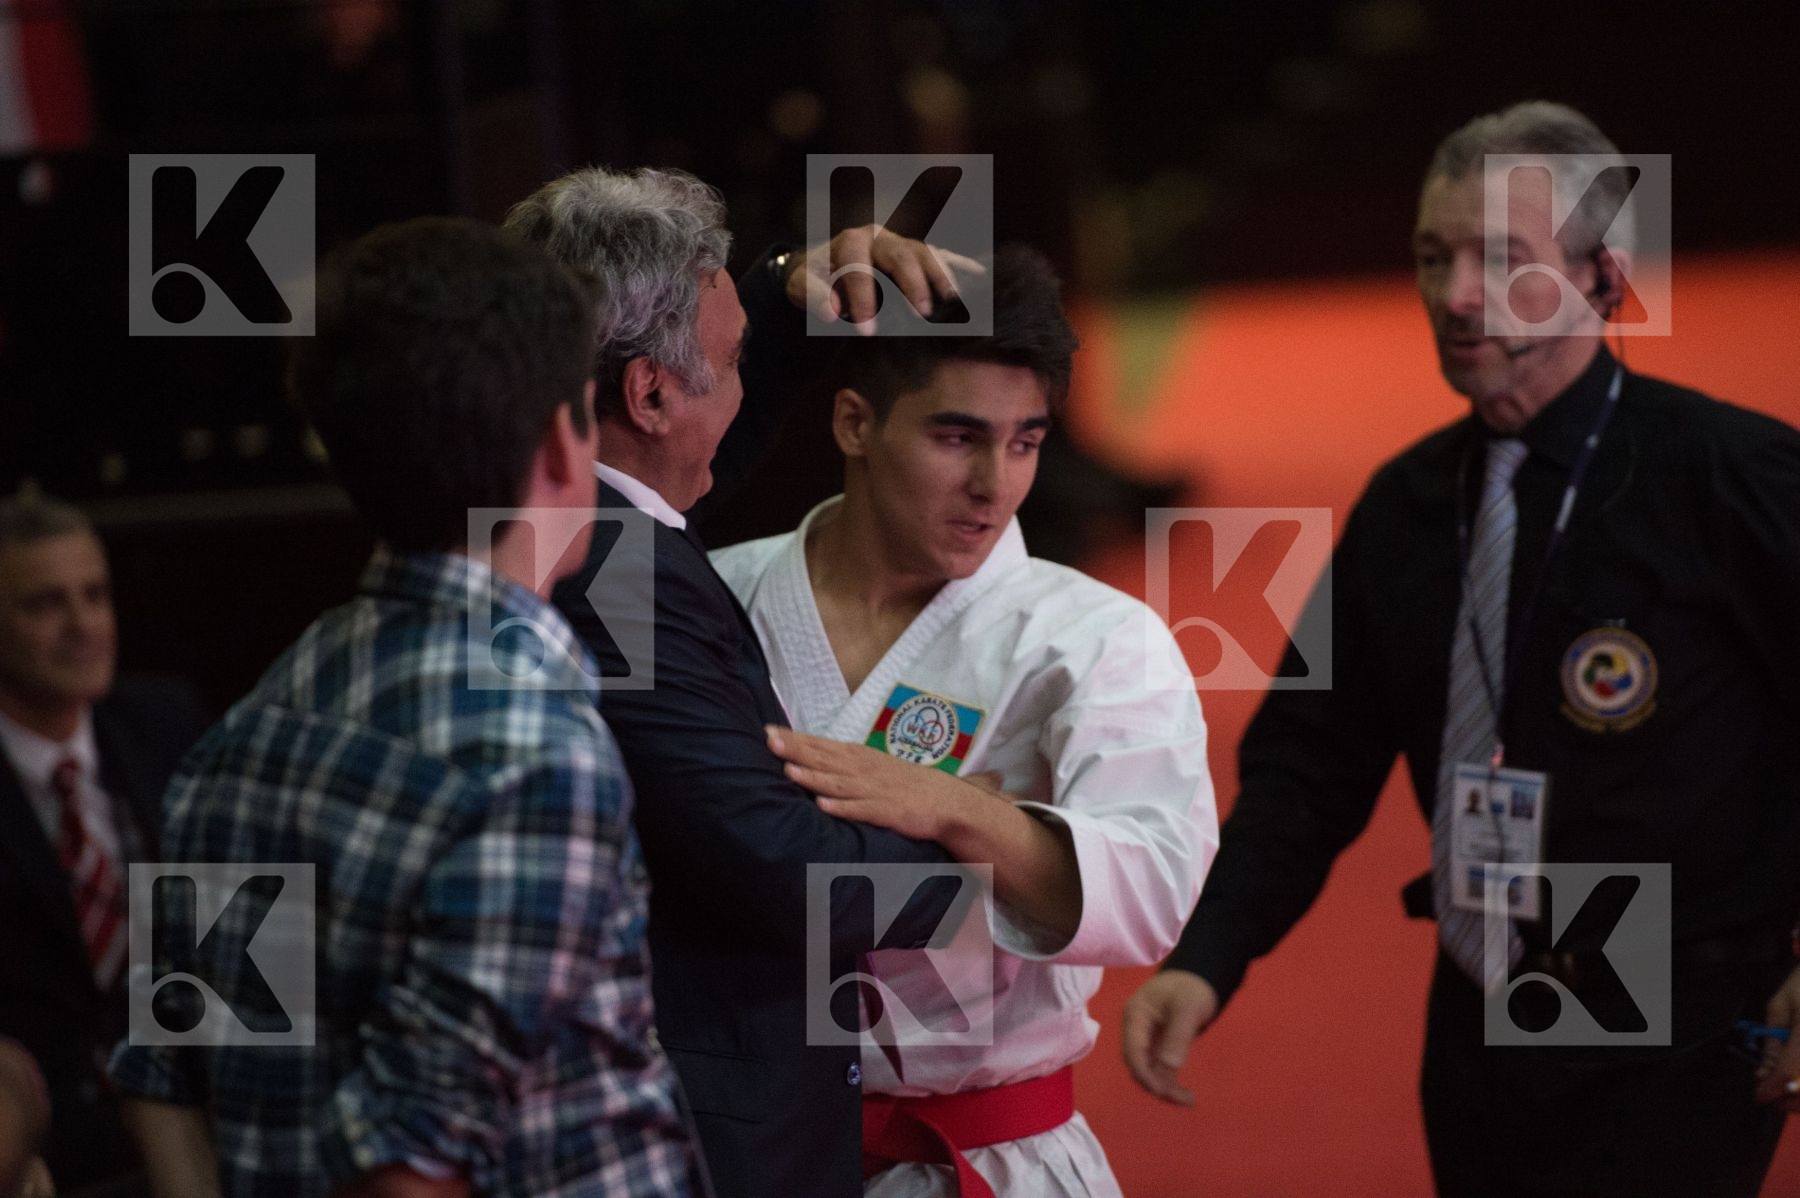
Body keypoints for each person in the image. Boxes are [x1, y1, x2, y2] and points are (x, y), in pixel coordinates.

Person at [1121, 100, 1800, 1196]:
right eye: (1433, 258)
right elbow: (1309, 766)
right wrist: (1208, 958)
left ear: (1603, 279)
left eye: (1500, 259)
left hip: (1687, 993)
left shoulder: (1731, 479)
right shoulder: (1406, 505)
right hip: (1487, 988)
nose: (1456, 296)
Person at [108, 217, 699, 1197]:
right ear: (565, 445)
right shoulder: (532, 753)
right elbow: (409, 1165)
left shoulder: (251, 723)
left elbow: (170, 1074)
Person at [505, 166, 981, 1198]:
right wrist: (971, 839)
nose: (747, 392)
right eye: (730, 364)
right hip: (712, 1147)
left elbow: (685, 444)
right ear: (648, 390)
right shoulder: (617, 573)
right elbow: (774, 869)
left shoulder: (565, 513)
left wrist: (780, 287)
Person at [713, 245, 1217, 1197]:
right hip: (746, 1147)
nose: (996, 482)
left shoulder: (1093, 636)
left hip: (988, 1157)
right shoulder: (719, 596)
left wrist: (956, 811)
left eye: (1025, 442)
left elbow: (1152, 890)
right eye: (957, 438)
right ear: (855, 422)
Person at [0, 492, 210, 1195]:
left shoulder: (168, 723)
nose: (83, 625)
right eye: (44, 604)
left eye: (95, 595)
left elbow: (245, 952)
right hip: (44, 1150)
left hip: (193, 1123)